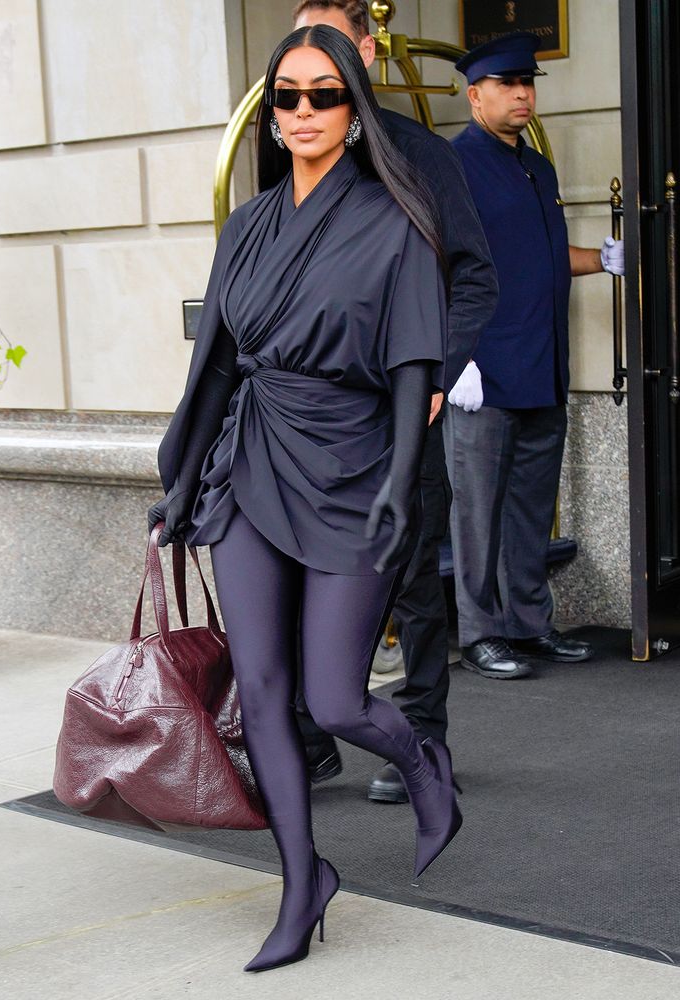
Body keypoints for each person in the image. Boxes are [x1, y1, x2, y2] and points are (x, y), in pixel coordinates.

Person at [148, 24, 461, 973]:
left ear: (354, 110)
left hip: (354, 467)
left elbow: (413, 366)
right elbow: (217, 363)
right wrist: (180, 479)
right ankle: (300, 883)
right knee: (269, 696)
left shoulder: (393, 220)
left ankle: (416, 757)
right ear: (269, 113)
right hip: (249, 462)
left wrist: (403, 482)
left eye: (323, 96)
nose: (302, 114)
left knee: (334, 698)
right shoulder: (246, 227)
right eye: (285, 97)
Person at [292, 0, 498, 803]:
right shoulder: (296, 152)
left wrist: (438, 375)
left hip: (400, 407)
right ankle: (311, 740)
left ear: (368, 56)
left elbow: (475, 275)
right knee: (305, 571)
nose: (314, 74)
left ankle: (421, 739)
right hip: (309, 418)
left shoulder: (418, 153)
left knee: (410, 577)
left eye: (332, 51)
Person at [445, 32, 625, 680]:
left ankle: (526, 623)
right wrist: (451, 359)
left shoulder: (534, 166)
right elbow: (430, 265)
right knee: (475, 513)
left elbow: (541, 259)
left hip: (540, 366)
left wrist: (599, 261)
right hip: (483, 373)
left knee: (527, 508)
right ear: (475, 95)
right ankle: (479, 633)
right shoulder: (454, 165)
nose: (522, 95)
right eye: (507, 85)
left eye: (527, 84)